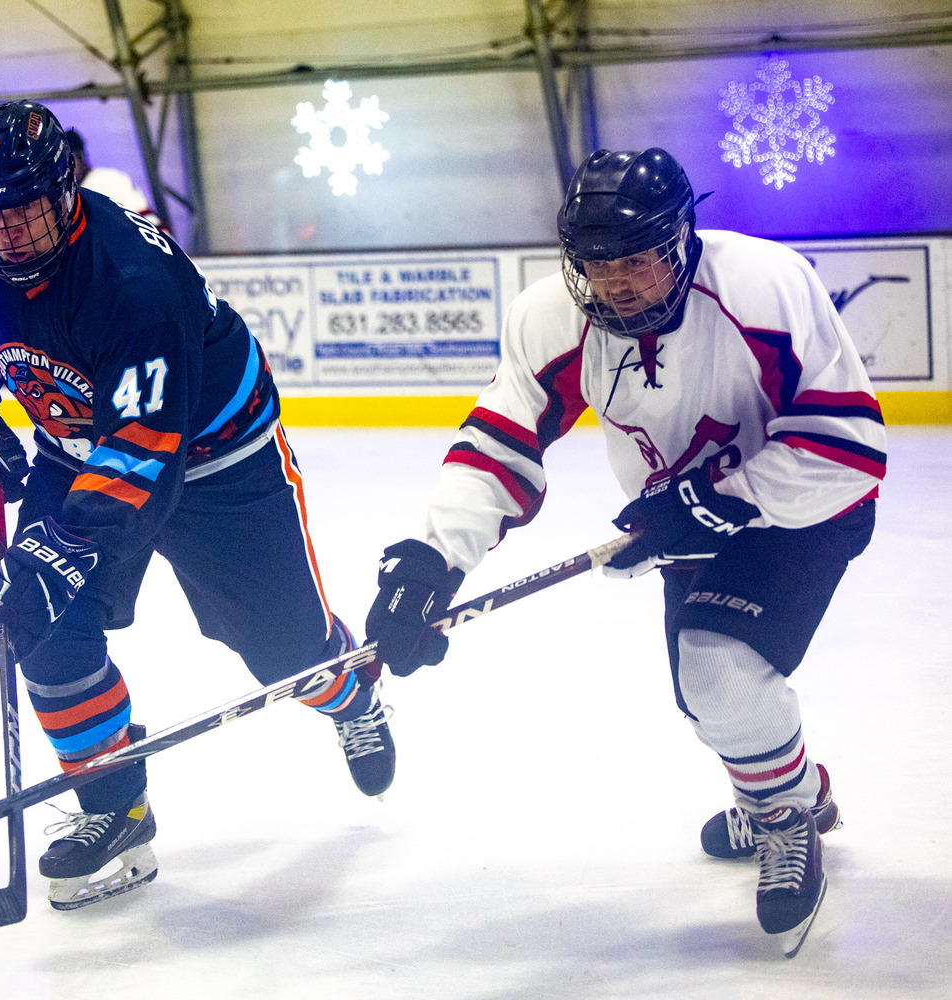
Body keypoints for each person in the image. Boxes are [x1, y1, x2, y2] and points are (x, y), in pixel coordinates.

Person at [365, 148, 884, 957]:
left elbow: (848, 445)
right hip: (680, 523)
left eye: (639, 259)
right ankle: (800, 791)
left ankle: (784, 818)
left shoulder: (766, 286)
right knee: (703, 697)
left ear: (682, 239)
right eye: (598, 265)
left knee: (717, 668)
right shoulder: (549, 318)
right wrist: (433, 560)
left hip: (801, 508)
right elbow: (500, 442)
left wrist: (723, 500)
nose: (619, 284)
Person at [0, 100, 393, 911]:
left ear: (65, 189)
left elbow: (144, 450)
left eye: (27, 210)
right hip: (78, 456)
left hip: (218, 465)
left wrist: (55, 554)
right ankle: (119, 813)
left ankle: (353, 691)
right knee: (45, 632)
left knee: (285, 651)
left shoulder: (132, 281)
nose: (11, 234)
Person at [64, 127, 163, 227]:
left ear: (81, 157)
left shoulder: (104, 180)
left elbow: (142, 220)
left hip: (148, 238)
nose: (67, 168)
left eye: (70, 160)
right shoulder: (91, 183)